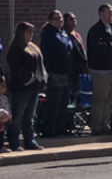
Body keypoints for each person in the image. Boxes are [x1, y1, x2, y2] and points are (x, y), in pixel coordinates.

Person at [6, 22, 47, 151]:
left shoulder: (33, 47)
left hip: (33, 87)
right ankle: (14, 142)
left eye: (32, 32)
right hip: (21, 87)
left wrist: (42, 77)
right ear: (22, 33)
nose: (31, 35)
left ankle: (30, 141)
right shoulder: (16, 48)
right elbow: (16, 66)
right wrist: (29, 77)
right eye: (29, 32)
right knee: (18, 115)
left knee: (29, 116)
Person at [86, 4, 112, 136]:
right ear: (101, 14)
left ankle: (104, 124)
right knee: (99, 100)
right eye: (108, 12)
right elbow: (96, 49)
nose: (111, 14)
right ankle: (95, 126)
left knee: (109, 100)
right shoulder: (96, 30)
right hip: (102, 72)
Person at [39, 10, 73, 137]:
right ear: (50, 20)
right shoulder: (49, 34)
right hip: (54, 73)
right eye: (57, 19)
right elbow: (48, 54)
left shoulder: (63, 33)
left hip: (65, 73)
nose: (60, 21)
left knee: (63, 102)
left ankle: (60, 127)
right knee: (53, 103)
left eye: (61, 19)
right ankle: (48, 129)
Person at [0, 74, 11, 153]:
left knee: (2, 132)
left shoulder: (4, 98)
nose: (5, 88)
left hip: (3, 120)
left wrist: (9, 116)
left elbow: (7, 107)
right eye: (3, 86)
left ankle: (1, 146)